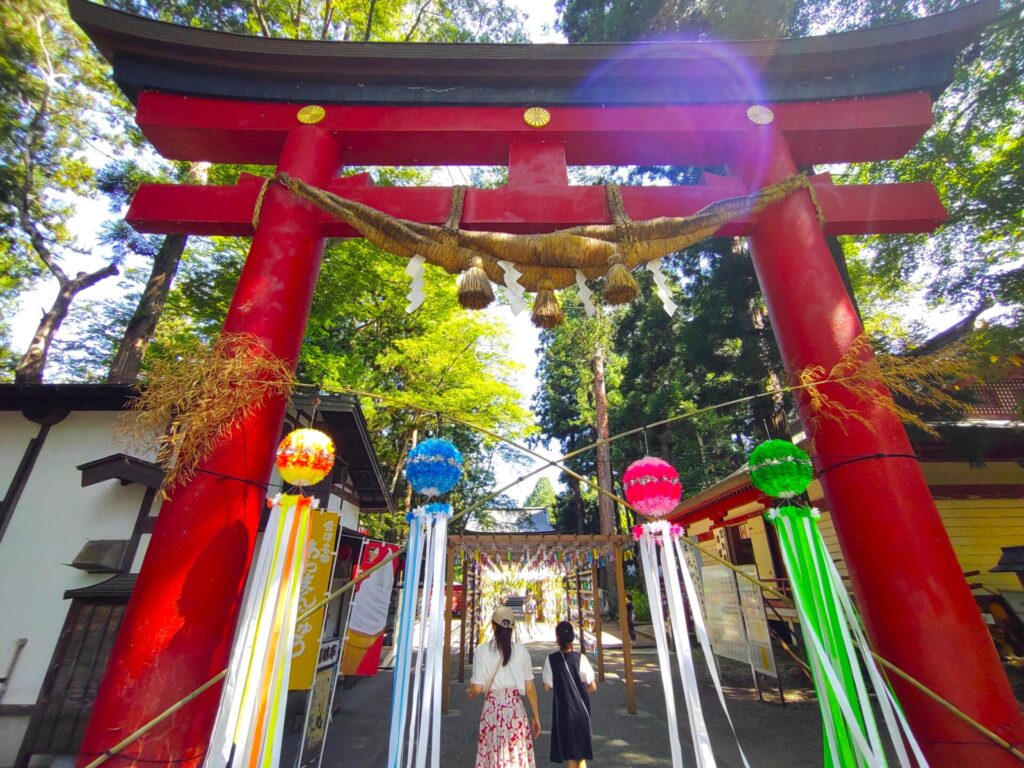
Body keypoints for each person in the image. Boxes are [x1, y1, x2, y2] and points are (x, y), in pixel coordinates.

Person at [468, 606, 542, 768]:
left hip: (492, 710)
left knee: (493, 755)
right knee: (516, 756)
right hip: (515, 710)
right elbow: (530, 689)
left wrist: (470, 692)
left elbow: (478, 688)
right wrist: (536, 715)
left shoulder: (481, 651)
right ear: (512, 628)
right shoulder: (521, 651)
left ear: (493, 625)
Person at [542, 621, 596, 768]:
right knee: (580, 754)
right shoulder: (581, 659)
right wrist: (578, 692)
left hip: (564, 712)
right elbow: (592, 686)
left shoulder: (551, 659)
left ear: (557, 639)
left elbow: (546, 687)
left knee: (571, 755)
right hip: (582, 712)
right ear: (572, 638)